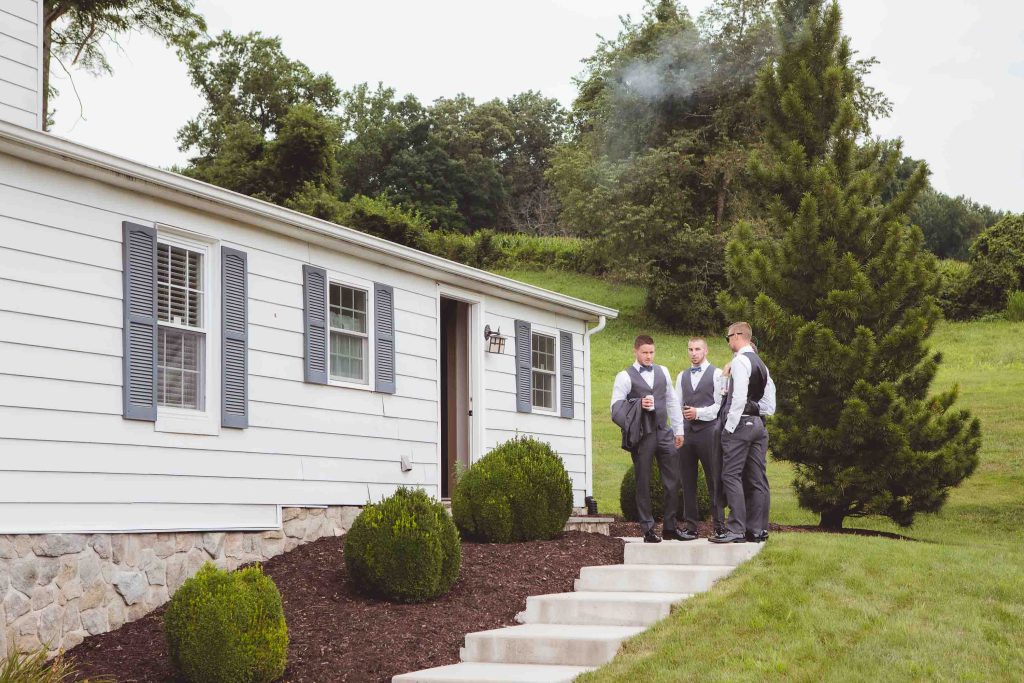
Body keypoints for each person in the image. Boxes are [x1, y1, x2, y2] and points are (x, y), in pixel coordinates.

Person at [611, 335, 686, 543]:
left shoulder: (663, 371)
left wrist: (679, 430)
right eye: (644, 352)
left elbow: (671, 401)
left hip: (664, 432)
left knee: (673, 480)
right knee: (643, 481)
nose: (648, 356)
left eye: (651, 352)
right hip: (643, 435)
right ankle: (648, 529)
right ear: (635, 351)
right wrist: (637, 404)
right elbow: (615, 409)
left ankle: (670, 527)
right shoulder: (624, 376)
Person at [711, 323, 774, 544]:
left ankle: (736, 528)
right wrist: (754, 412)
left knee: (730, 475)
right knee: (757, 479)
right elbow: (768, 404)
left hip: (740, 425)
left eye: (728, 337)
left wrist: (729, 427)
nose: (728, 342)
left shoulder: (740, 361)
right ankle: (757, 530)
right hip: (758, 425)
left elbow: (737, 399)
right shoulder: (762, 365)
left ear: (738, 336)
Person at [675, 337, 725, 538]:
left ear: (706, 351)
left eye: (697, 349)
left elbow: (719, 406)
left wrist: (698, 413)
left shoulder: (718, 374)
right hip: (687, 434)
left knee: (714, 479)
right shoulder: (681, 376)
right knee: (687, 480)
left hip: (709, 433)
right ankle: (691, 527)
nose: (693, 353)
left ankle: (720, 526)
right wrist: (678, 431)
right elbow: (676, 405)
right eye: (690, 349)